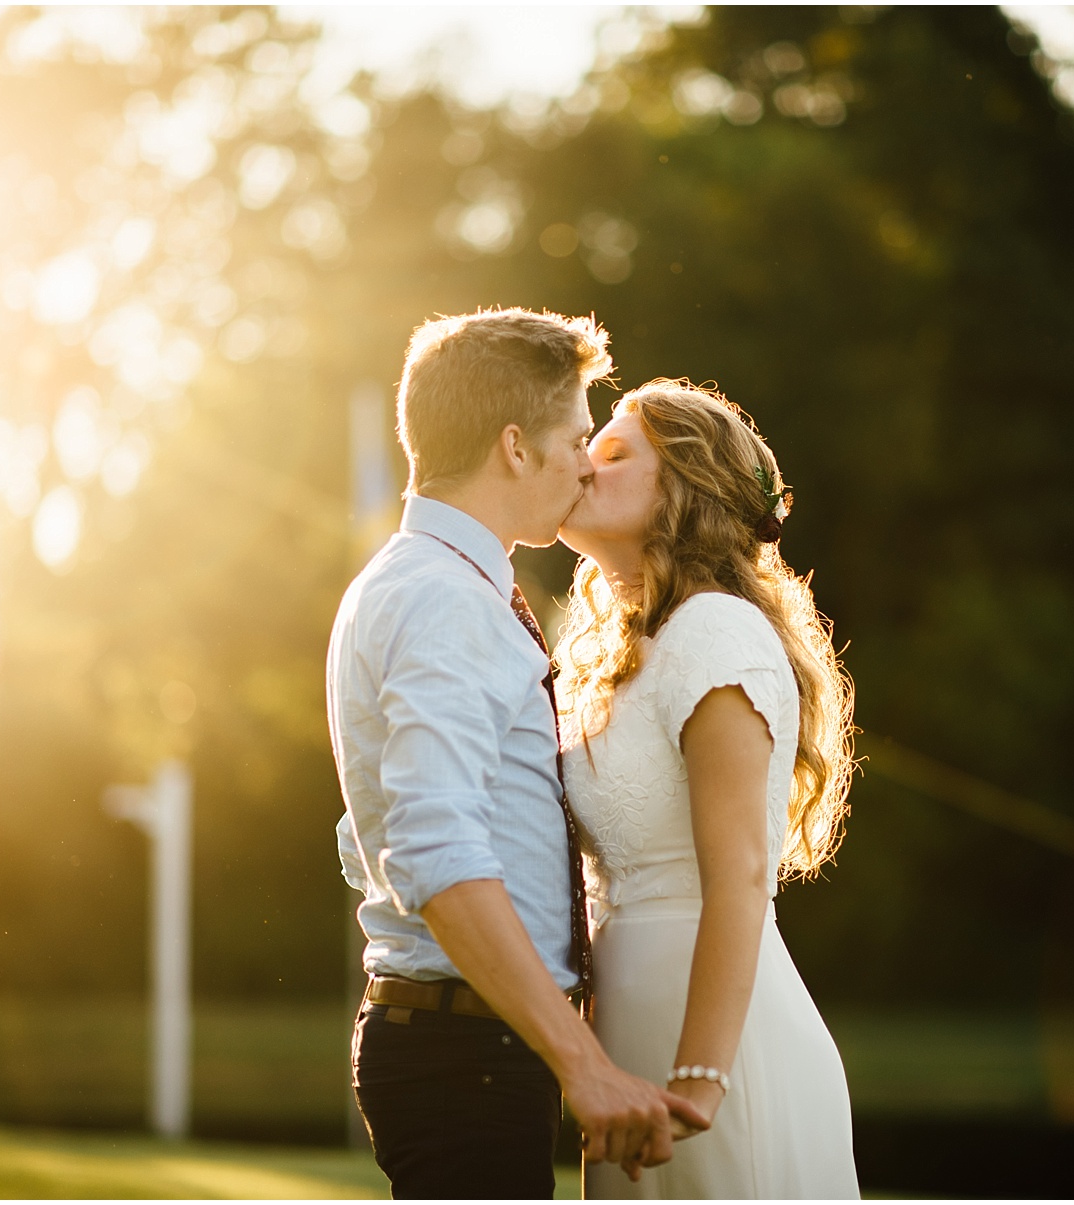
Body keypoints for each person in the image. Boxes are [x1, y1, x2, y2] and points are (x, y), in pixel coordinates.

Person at [327, 310, 707, 1199]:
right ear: (515, 448)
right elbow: (433, 851)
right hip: (468, 1052)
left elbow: (367, 836)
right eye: (577, 437)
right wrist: (584, 1063)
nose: (587, 461)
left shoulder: (426, 580)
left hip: (470, 1042)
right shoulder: (443, 601)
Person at [556, 379, 861, 1199]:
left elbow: (741, 875)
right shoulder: (630, 649)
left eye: (615, 452)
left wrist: (699, 1077)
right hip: (632, 1036)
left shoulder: (714, 631)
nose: (584, 464)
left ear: (684, 489)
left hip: (722, 1055)